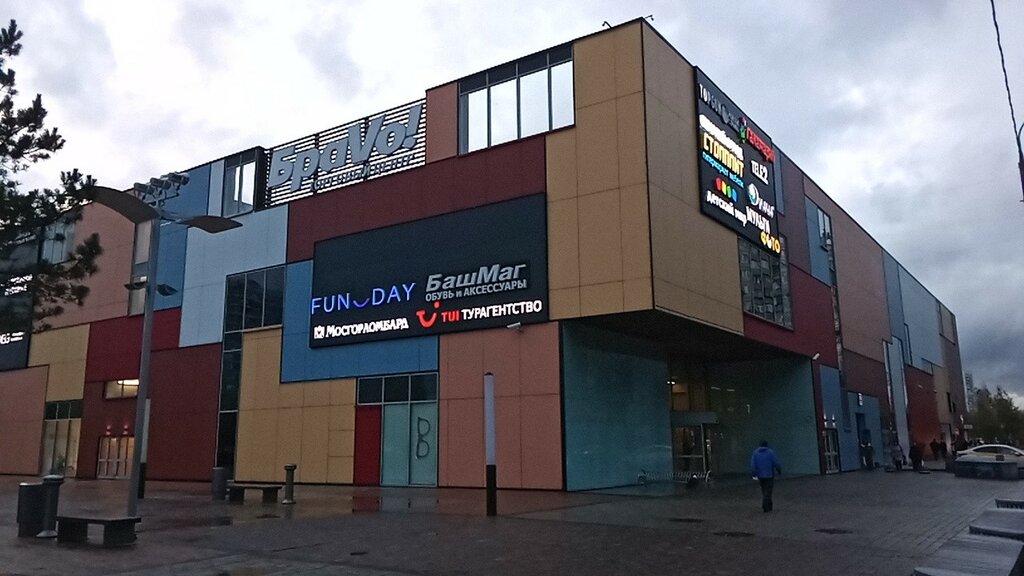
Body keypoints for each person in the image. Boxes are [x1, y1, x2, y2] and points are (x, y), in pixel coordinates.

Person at [750, 440, 782, 512]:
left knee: (764, 489)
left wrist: (754, 473)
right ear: (767, 445)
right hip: (769, 474)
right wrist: (779, 470)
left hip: (760, 475)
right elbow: (776, 462)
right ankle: (766, 505)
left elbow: (752, 465)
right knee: (768, 490)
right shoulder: (771, 452)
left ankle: (768, 504)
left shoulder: (755, 453)